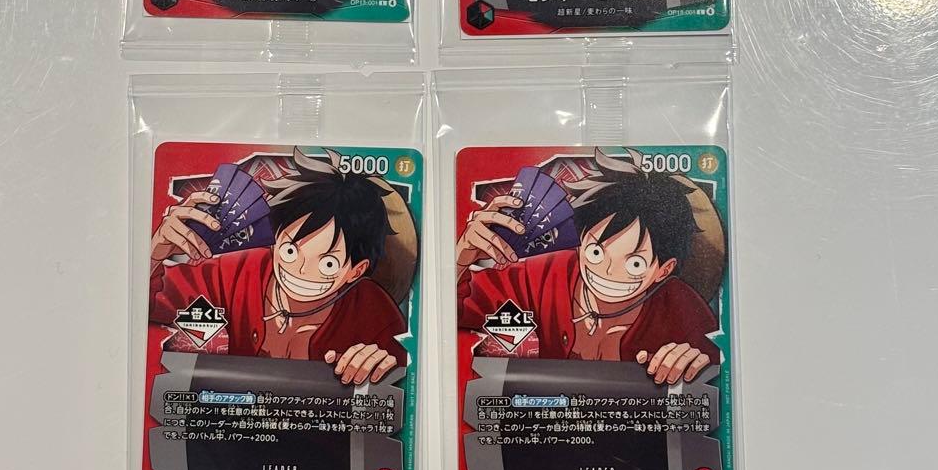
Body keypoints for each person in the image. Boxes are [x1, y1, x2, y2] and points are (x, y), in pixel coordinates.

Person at [456, 148, 720, 383]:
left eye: (635, 263)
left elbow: (714, 371)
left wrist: (695, 363)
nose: (607, 270)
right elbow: (457, 310)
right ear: (580, 241)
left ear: (663, 270)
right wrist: (460, 258)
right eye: (596, 252)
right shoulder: (543, 276)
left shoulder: (682, 311)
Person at [150, 149, 407, 385]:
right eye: (290, 251)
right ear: (275, 240)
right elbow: (152, 302)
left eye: (328, 263)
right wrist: (154, 254)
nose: (301, 270)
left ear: (356, 271)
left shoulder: (375, 313)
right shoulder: (236, 271)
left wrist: (381, 366)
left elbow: (402, 384)